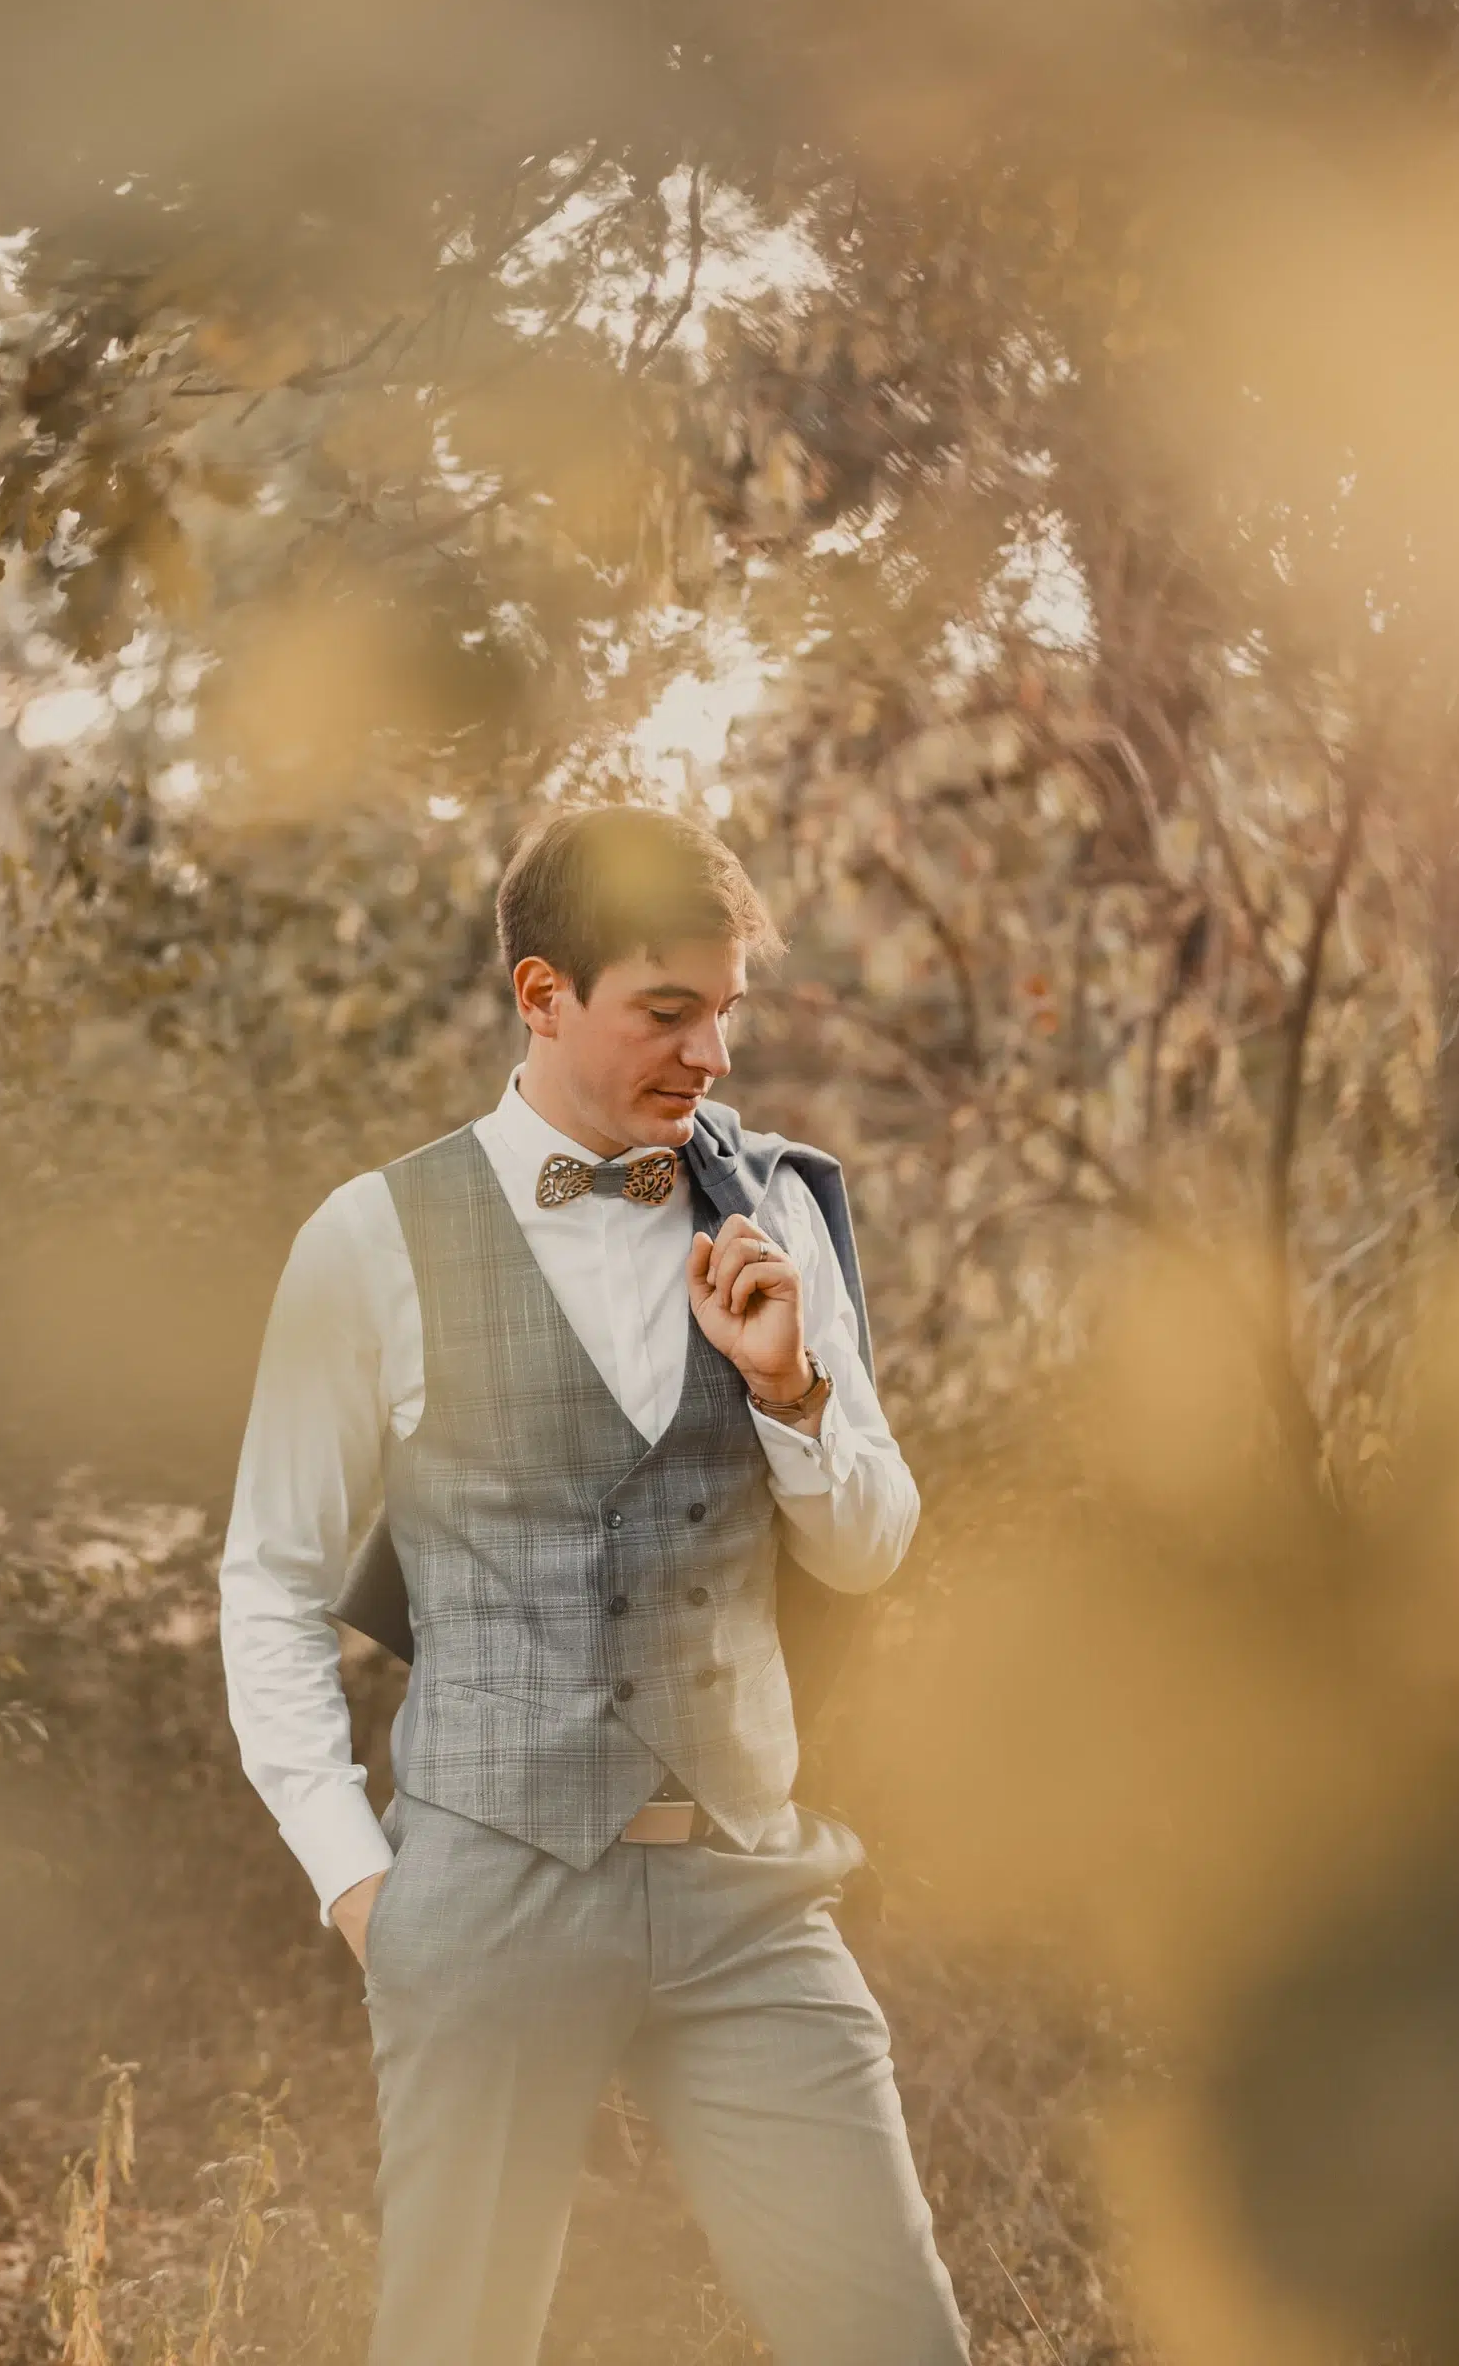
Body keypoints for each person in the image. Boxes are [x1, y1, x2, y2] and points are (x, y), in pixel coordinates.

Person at [218, 804, 969, 2366]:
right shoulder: (369, 1240)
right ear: (541, 993)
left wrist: (792, 1394)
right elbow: (272, 1579)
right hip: (487, 1895)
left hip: (750, 1896)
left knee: (891, 2338)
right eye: (666, 1011)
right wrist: (359, 1882)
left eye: (727, 1013)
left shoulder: (780, 1212)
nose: (707, 1053)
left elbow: (870, 1548)